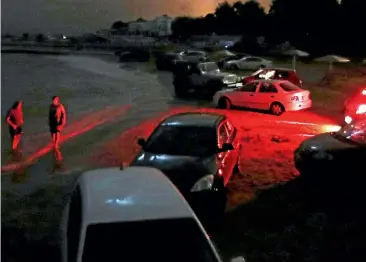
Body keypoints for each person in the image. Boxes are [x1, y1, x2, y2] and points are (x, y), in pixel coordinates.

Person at [48, 96, 67, 162]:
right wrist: (50, 122)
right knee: (53, 133)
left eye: (58, 99)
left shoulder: (60, 106)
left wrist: (64, 120)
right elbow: (50, 115)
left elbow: (64, 113)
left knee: (58, 132)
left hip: (59, 121)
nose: (57, 100)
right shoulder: (51, 106)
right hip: (52, 121)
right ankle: (54, 143)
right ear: (53, 100)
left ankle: (56, 144)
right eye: (56, 99)